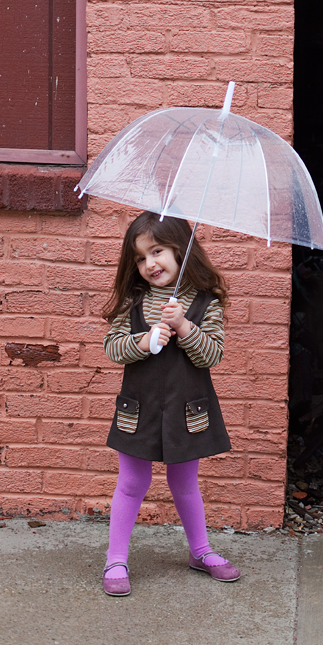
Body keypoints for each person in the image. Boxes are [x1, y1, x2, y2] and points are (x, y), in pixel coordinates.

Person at [101, 211, 239, 597]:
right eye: (141, 257)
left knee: (184, 483)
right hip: (138, 409)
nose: (149, 264)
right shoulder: (134, 301)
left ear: (181, 249)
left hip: (185, 409)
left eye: (157, 251)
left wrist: (183, 326)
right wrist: (143, 343)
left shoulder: (205, 302)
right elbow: (113, 347)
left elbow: (211, 355)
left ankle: (201, 551)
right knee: (132, 482)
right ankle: (116, 558)